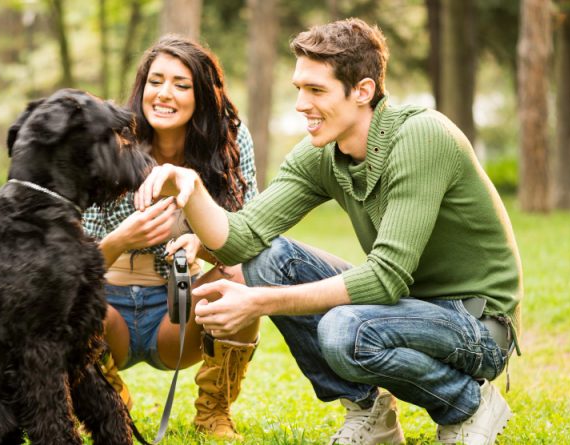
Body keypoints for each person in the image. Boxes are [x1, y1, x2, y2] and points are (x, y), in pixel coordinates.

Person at [135, 18, 522, 445]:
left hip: (478, 324)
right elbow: (242, 238)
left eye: (316, 91)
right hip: (411, 309)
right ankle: (368, 411)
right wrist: (189, 187)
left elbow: (385, 277)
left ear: (363, 91)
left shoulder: (421, 136)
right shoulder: (322, 153)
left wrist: (257, 302)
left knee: (345, 330)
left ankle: (467, 405)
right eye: (300, 87)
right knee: (269, 259)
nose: (301, 104)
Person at [82, 35, 260, 440]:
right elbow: (76, 263)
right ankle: (108, 403)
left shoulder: (229, 139)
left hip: (177, 315)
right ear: (141, 86)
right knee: (62, 300)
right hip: (109, 315)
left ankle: (213, 411)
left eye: (181, 84)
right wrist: (122, 239)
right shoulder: (110, 141)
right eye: (155, 81)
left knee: (241, 278)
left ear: (202, 95)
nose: (165, 94)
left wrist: (206, 243)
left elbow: (252, 229)